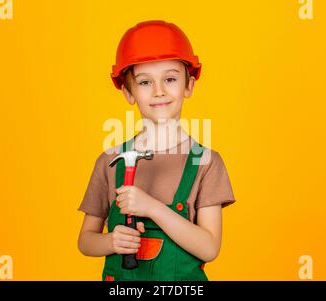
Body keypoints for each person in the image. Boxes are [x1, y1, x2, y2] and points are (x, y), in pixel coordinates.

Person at [77, 20, 236, 281]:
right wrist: (112, 242)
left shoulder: (206, 162)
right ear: (128, 92)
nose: (159, 91)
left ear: (188, 86)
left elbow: (209, 248)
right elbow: (85, 241)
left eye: (170, 79)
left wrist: (152, 207)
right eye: (144, 82)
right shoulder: (109, 162)